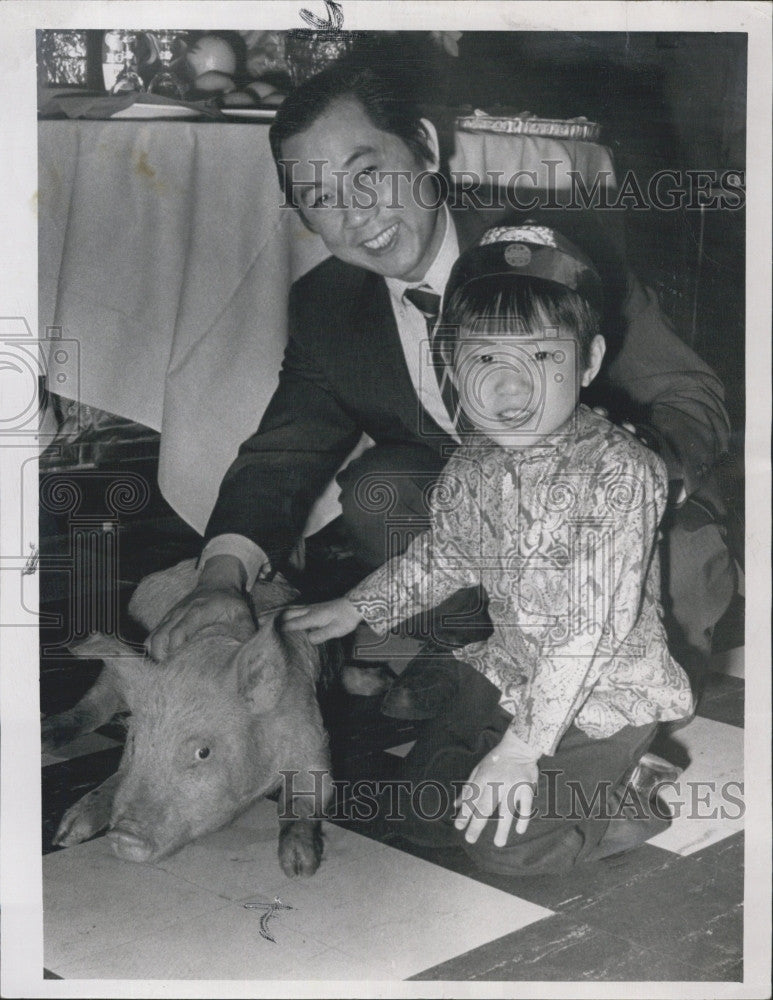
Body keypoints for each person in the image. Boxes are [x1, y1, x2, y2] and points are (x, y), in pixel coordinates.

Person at [147, 57, 735, 716]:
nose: (355, 215)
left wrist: (637, 477)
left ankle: (607, 702)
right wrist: (221, 577)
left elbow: (689, 395)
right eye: (319, 198)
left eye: (366, 174)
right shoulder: (327, 305)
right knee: (380, 489)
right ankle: (473, 664)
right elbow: (282, 453)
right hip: (483, 526)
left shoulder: (548, 248)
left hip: (624, 504)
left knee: (666, 598)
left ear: (424, 147)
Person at [283, 224, 695, 872]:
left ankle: (627, 785)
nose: (510, 389)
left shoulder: (617, 470)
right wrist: (359, 607)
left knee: (503, 845)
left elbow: (585, 632)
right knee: (422, 815)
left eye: (539, 357)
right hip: (511, 666)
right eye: (483, 359)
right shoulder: (474, 462)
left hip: (599, 689)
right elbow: (446, 553)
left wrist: (520, 749)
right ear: (450, 363)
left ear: (587, 361)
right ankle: (552, 773)